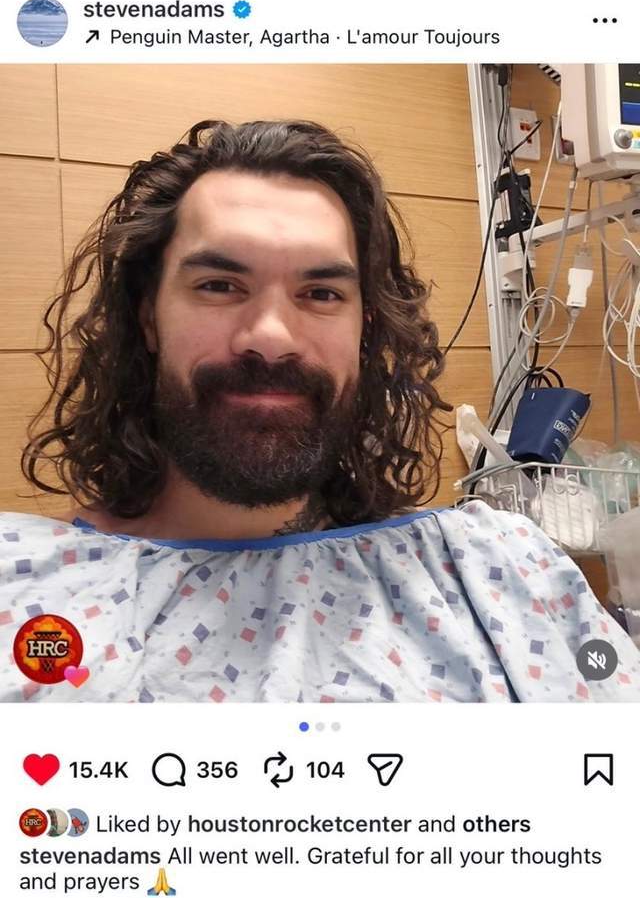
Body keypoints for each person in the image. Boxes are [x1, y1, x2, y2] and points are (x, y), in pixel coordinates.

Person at [1, 119, 638, 703]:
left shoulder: (501, 572)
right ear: (148, 318)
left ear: (365, 330)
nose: (271, 336)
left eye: (322, 292)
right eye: (219, 285)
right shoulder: (25, 592)